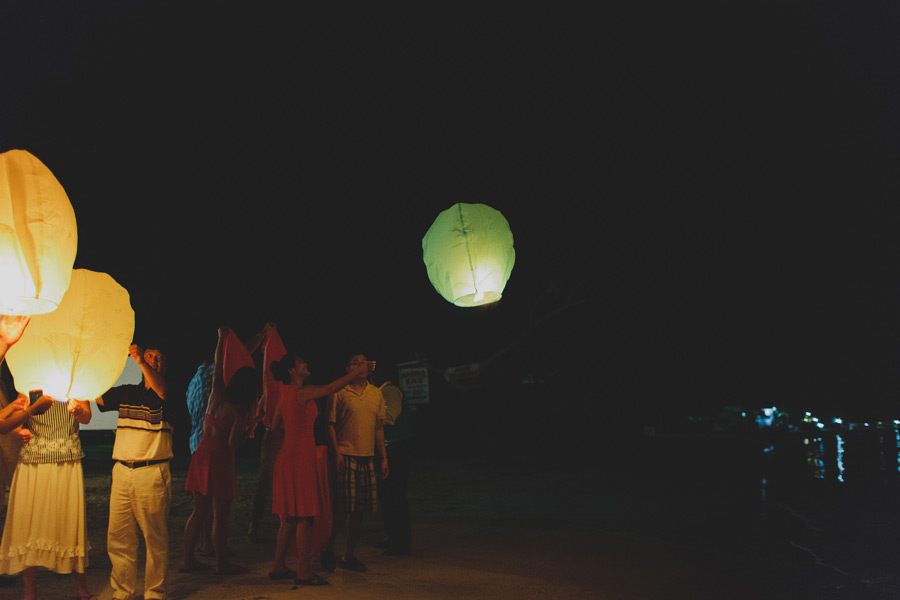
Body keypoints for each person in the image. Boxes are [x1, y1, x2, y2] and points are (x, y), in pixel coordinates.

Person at [268, 353, 368, 586]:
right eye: (301, 362)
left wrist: (293, 437)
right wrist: (355, 373)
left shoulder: (284, 393)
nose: (305, 363)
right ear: (293, 371)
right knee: (305, 517)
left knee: (290, 517)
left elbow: (274, 427)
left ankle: (278, 566)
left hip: (288, 454)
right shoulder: (302, 392)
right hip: (301, 457)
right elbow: (332, 387)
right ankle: (303, 571)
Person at [95, 343, 173, 600]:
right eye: (151, 356)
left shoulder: (168, 393)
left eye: (160, 358)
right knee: (119, 536)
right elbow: (97, 395)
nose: (154, 361)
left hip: (151, 472)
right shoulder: (128, 392)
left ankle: (154, 592)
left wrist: (140, 360)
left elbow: (161, 389)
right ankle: (122, 591)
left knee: (155, 538)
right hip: (122, 471)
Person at [0, 394, 95, 600]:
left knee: (70, 520)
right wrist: (20, 429)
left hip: (67, 459)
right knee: (28, 525)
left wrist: (79, 411)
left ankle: (81, 587)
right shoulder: (31, 384)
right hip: (33, 461)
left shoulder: (75, 382)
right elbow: (9, 423)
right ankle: (30, 591)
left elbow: (86, 416)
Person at [181, 327, 259, 574]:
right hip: (221, 459)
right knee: (220, 516)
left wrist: (220, 340)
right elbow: (233, 444)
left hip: (202, 452)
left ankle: (187, 560)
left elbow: (218, 362)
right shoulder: (241, 410)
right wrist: (251, 426)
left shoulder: (217, 393)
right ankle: (223, 563)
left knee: (198, 511)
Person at [322, 354, 388, 573]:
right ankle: (327, 549)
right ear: (347, 367)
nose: (362, 364)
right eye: (356, 362)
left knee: (359, 510)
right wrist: (337, 453)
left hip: (367, 456)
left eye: (364, 361)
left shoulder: (376, 393)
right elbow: (329, 424)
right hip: (346, 454)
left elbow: (379, 427)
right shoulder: (340, 391)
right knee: (341, 508)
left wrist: (384, 456)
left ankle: (348, 555)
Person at [376, 374, 415, 555]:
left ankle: (400, 541)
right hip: (394, 448)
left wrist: (366, 419)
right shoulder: (384, 391)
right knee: (388, 495)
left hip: (397, 449)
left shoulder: (389, 391)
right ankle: (395, 537)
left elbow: (389, 417)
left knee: (394, 495)